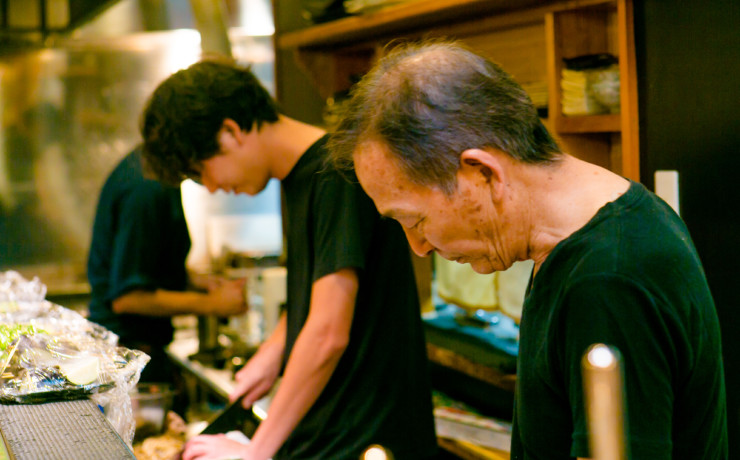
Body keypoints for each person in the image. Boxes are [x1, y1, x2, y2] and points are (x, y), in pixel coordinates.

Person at [329, 40, 728, 460]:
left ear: (482, 173)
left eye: (415, 220)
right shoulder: (603, 222)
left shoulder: (607, 280)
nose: (419, 246)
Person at [140, 59, 437, 460]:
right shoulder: (305, 177)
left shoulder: (337, 173)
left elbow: (329, 332)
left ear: (231, 132)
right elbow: (316, 294)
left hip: (367, 441)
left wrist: (256, 452)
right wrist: (272, 353)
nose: (210, 187)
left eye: (200, 171)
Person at [87, 145, 248, 386]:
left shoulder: (156, 173)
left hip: (135, 353)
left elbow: (147, 266)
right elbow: (128, 298)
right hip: (127, 360)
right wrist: (213, 304)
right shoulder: (146, 188)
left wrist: (196, 281)